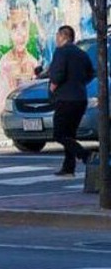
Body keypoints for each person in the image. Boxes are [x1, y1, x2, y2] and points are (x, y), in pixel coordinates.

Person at [49, 24, 94, 177]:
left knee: (59, 134)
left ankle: (85, 155)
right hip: (80, 98)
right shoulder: (82, 54)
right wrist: (78, 83)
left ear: (63, 36)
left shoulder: (61, 52)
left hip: (65, 99)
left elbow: (57, 74)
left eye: (57, 36)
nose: (56, 38)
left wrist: (53, 86)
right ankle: (68, 168)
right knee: (70, 134)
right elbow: (90, 73)